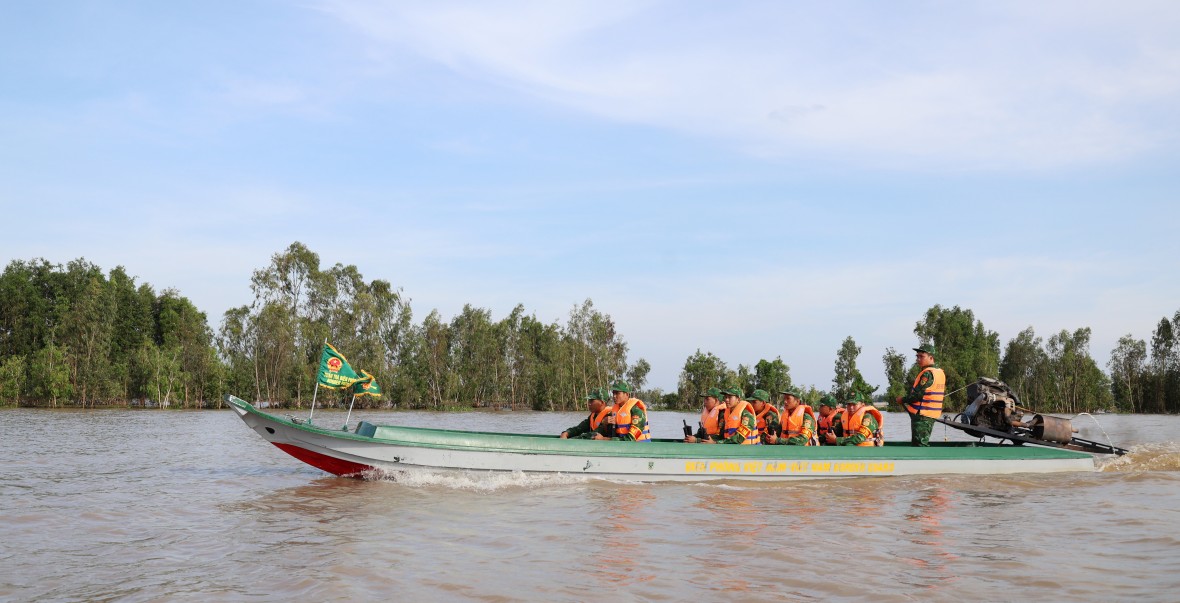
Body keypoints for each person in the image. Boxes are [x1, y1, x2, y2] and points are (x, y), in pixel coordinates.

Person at [895, 343, 946, 447]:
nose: (918, 359)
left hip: (922, 416)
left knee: (919, 446)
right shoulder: (939, 372)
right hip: (929, 414)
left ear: (931, 358)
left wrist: (902, 399)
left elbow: (917, 396)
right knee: (920, 444)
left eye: (921, 356)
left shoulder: (927, 374)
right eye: (917, 356)